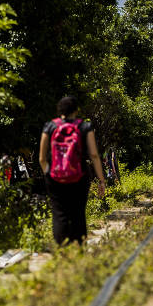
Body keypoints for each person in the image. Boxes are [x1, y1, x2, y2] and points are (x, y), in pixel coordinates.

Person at [38, 96, 106, 245]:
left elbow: (42, 158)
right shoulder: (84, 127)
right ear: (76, 110)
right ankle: (78, 247)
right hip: (79, 176)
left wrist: (49, 174)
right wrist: (101, 180)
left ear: (59, 110)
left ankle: (62, 248)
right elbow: (94, 155)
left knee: (59, 213)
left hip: (55, 177)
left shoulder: (49, 127)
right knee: (78, 212)